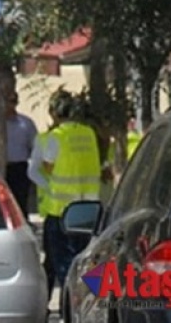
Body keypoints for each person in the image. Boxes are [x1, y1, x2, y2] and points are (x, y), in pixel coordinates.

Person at [41, 89, 101, 301]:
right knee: (87, 260)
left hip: (61, 212)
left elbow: (47, 166)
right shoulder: (88, 133)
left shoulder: (56, 136)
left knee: (63, 264)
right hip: (88, 212)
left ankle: (72, 303)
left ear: (55, 113)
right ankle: (94, 300)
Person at [27, 118, 58, 316]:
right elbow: (34, 171)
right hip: (57, 209)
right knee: (54, 261)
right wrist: (52, 189)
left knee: (56, 261)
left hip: (62, 209)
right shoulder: (48, 139)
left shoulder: (87, 136)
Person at [4, 91, 37, 221]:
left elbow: (34, 145)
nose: (10, 105)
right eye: (7, 101)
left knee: (20, 200)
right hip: (1, 166)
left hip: (19, 167)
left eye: (13, 101)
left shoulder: (26, 123)